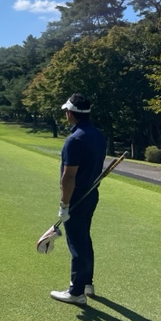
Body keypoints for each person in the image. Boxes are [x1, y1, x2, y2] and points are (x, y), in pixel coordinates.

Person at [50, 93, 106, 305]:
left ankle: (76, 292)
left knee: (77, 243)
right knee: (84, 239)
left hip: (77, 197)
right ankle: (87, 283)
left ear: (70, 113)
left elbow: (68, 177)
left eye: (66, 110)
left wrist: (64, 204)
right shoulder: (98, 135)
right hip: (91, 194)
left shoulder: (74, 140)